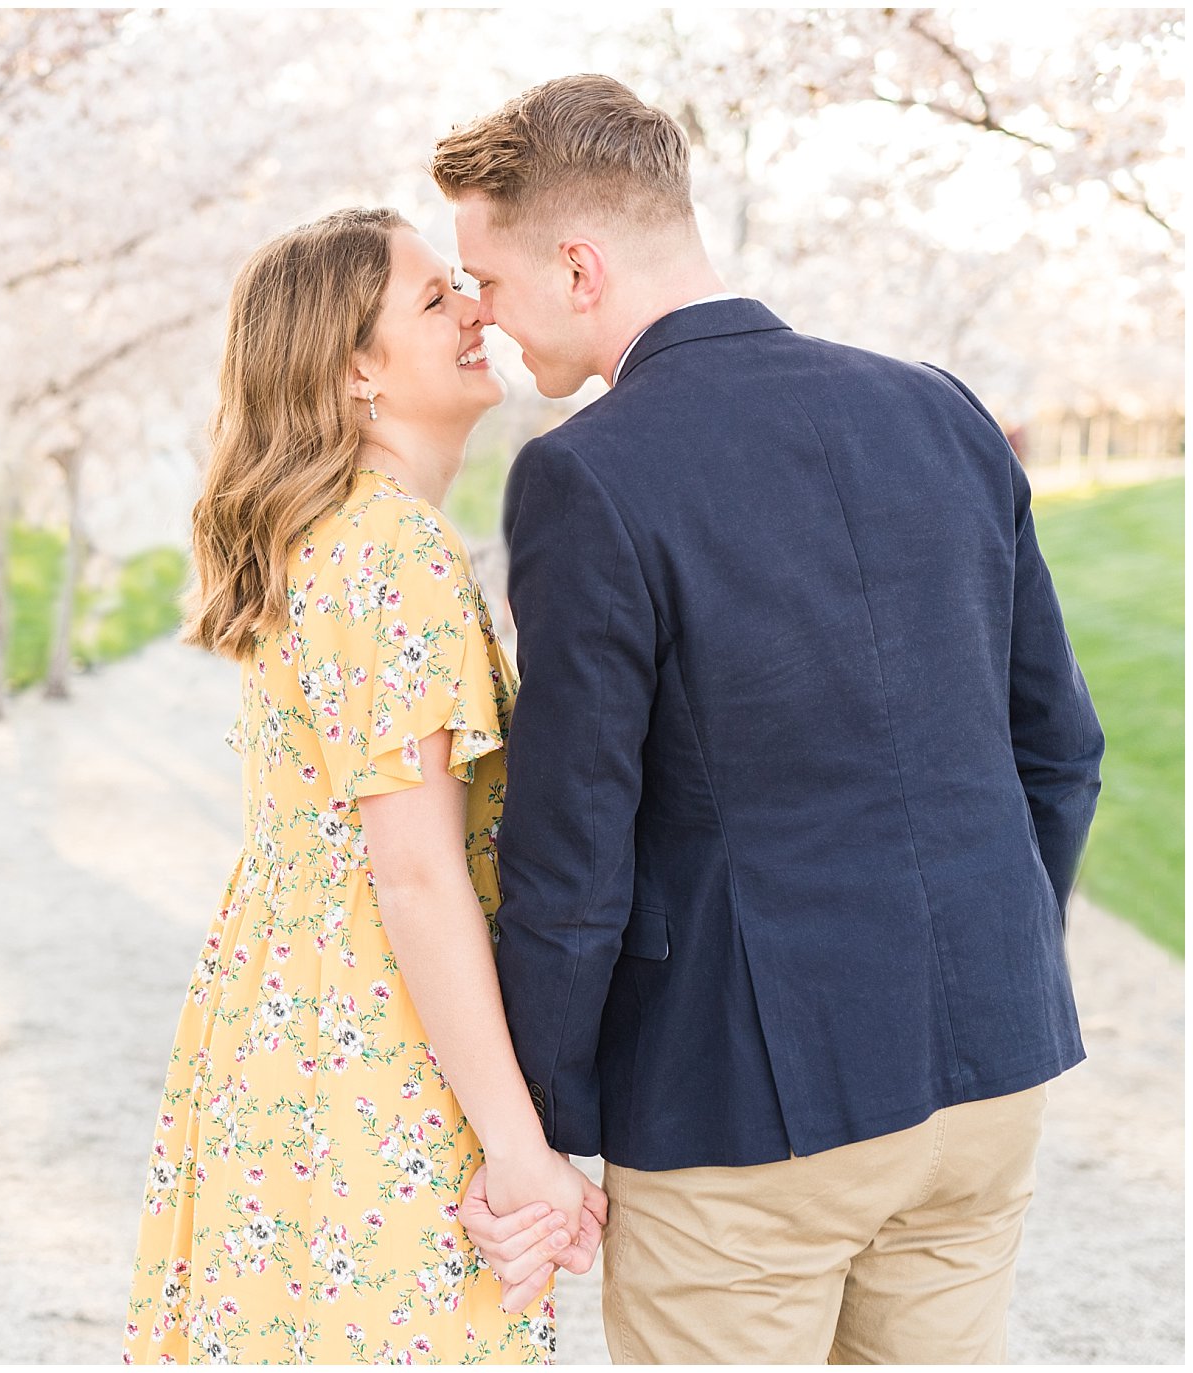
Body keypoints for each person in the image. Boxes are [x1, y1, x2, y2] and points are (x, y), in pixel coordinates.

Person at [431, 74, 1106, 1363]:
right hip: (986, 1065)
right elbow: (1058, 749)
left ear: (577, 265)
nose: (483, 315)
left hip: (745, 1103)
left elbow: (573, 850)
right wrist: (996, 946)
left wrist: (539, 1115)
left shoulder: (585, 472)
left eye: (491, 280)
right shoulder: (940, 409)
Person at [121, 207, 603, 1365]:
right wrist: (516, 1144)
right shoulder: (397, 552)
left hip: (278, 1021)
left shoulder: (327, 539)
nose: (476, 308)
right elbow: (417, 870)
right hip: (372, 1038)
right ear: (352, 370)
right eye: (436, 300)